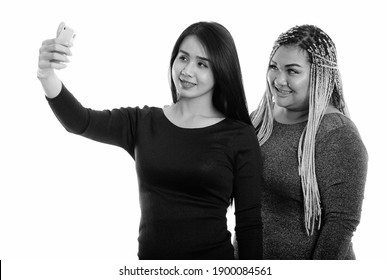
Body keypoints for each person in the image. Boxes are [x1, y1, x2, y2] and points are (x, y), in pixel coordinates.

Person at [37, 21, 263, 260]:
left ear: (222, 70)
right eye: (183, 58)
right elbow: (80, 121)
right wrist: (46, 74)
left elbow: (249, 225)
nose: (187, 71)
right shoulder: (142, 122)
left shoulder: (239, 136)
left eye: (202, 64)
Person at [251, 24, 368, 259]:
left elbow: (341, 224)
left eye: (292, 71)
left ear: (319, 74)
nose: (278, 79)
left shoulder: (337, 133)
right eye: (274, 67)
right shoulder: (259, 119)